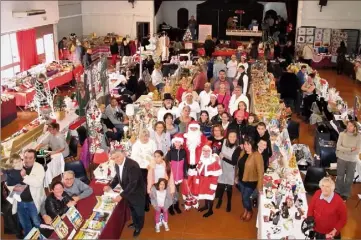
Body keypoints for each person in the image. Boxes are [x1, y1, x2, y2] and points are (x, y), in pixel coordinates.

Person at [103, 149, 145, 237]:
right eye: (114, 158)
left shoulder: (132, 165)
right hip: (128, 192)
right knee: (133, 210)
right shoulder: (117, 164)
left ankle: (139, 227)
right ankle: (135, 223)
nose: (116, 159)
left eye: (118, 156)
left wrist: (121, 195)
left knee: (139, 211)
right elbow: (117, 177)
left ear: (123, 154)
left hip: (136, 193)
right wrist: (110, 186)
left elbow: (133, 184)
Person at [16, 149, 46, 236]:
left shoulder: (39, 168)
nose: (27, 160)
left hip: (32, 201)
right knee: (25, 224)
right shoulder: (17, 166)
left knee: (36, 222)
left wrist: (24, 176)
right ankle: (29, 237)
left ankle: (41, 237)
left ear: (34, 159)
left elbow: (37, 183)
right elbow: (10, 181)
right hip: (19, 201)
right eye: (25, 157)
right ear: (22, 157)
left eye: (30, 158)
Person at [234, 137, 264, 222]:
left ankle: (250, 211)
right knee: (243, 197)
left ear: (252, 145)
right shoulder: (243, 152)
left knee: (245, 198)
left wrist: (260, 187)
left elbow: (260, 172)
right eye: (245, 144)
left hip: (251, 181)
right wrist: (236, 177)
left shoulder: (257, 155)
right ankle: (246, 210)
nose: (246, 146)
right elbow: (239, 166)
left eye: (248, 144)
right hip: (241, 180)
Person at [182, 121, 208, 210]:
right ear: (189, 128)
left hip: (198, 167)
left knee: (197, 184)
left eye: (195, 128)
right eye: (191, 128)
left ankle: (195, 199)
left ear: (198, 129)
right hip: (187, 166)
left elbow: (207, 151)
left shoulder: (203, 138)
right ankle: (188, 199)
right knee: (187, 183)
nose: (193, 129)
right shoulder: (184, 139)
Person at [130, 129, 157, 211]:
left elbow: (155, 154)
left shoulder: (152, 142)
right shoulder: (136, 145)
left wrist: (151, 164)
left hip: (151, 167)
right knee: (143, 186)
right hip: (141, 169)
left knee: (151, 184)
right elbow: (134, 158)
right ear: (140, 136)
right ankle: (145, 203)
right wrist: (145, 165)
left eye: (147, 136)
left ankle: (149, 199)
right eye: (143, 136)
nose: (145, 138)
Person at [335, 121, 361, 201]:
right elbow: (338, 147)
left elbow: (357, 151)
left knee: (349, 178)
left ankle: (345, 193)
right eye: (348, 125)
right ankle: (337, 191)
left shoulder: (359, 137)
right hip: (341, 158)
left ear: (355, 128)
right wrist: (350, 149)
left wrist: (344, 150)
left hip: (352, 160)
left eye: (351, 126)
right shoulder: (342, 134)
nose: (348, 127)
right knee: (340, 176)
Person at [197, 145, 222, 218]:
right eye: (204, 150)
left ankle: (210, 210)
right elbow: (199, 171)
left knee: (210, 196)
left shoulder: (213, 161)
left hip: (210, 182)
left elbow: (216, 175)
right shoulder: (201, 160)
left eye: (207, 150)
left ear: (210, 151)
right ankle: (206, 206)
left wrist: (213, 186)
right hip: (203, 181)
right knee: (205, 194)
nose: (206, 152)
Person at [216, 130, 238, 212]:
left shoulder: (237, 148)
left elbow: (234, 162)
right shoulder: (224, 141)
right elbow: (216, 143)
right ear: (227, 137)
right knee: (221, 185)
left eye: (234, 136)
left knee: (229, 187)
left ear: (236, 138)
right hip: (221, 167)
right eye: (230, 136)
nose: (232, 138)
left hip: (230, 169)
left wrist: (223, 157)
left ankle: (229, 202)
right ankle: (220, 200)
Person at [165, 134, 187, 214]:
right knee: (171, 191)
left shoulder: (183, 152)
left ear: (181, 143)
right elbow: (166, 163)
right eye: (176, 142)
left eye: (179, 142)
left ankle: (176, 206)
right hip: (171, 175)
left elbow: (185, 164)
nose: (177, 143)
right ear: (173, 143)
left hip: (179, 176)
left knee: (177, 191)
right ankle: (170, 207)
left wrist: (185, 173)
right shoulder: (170, 152)